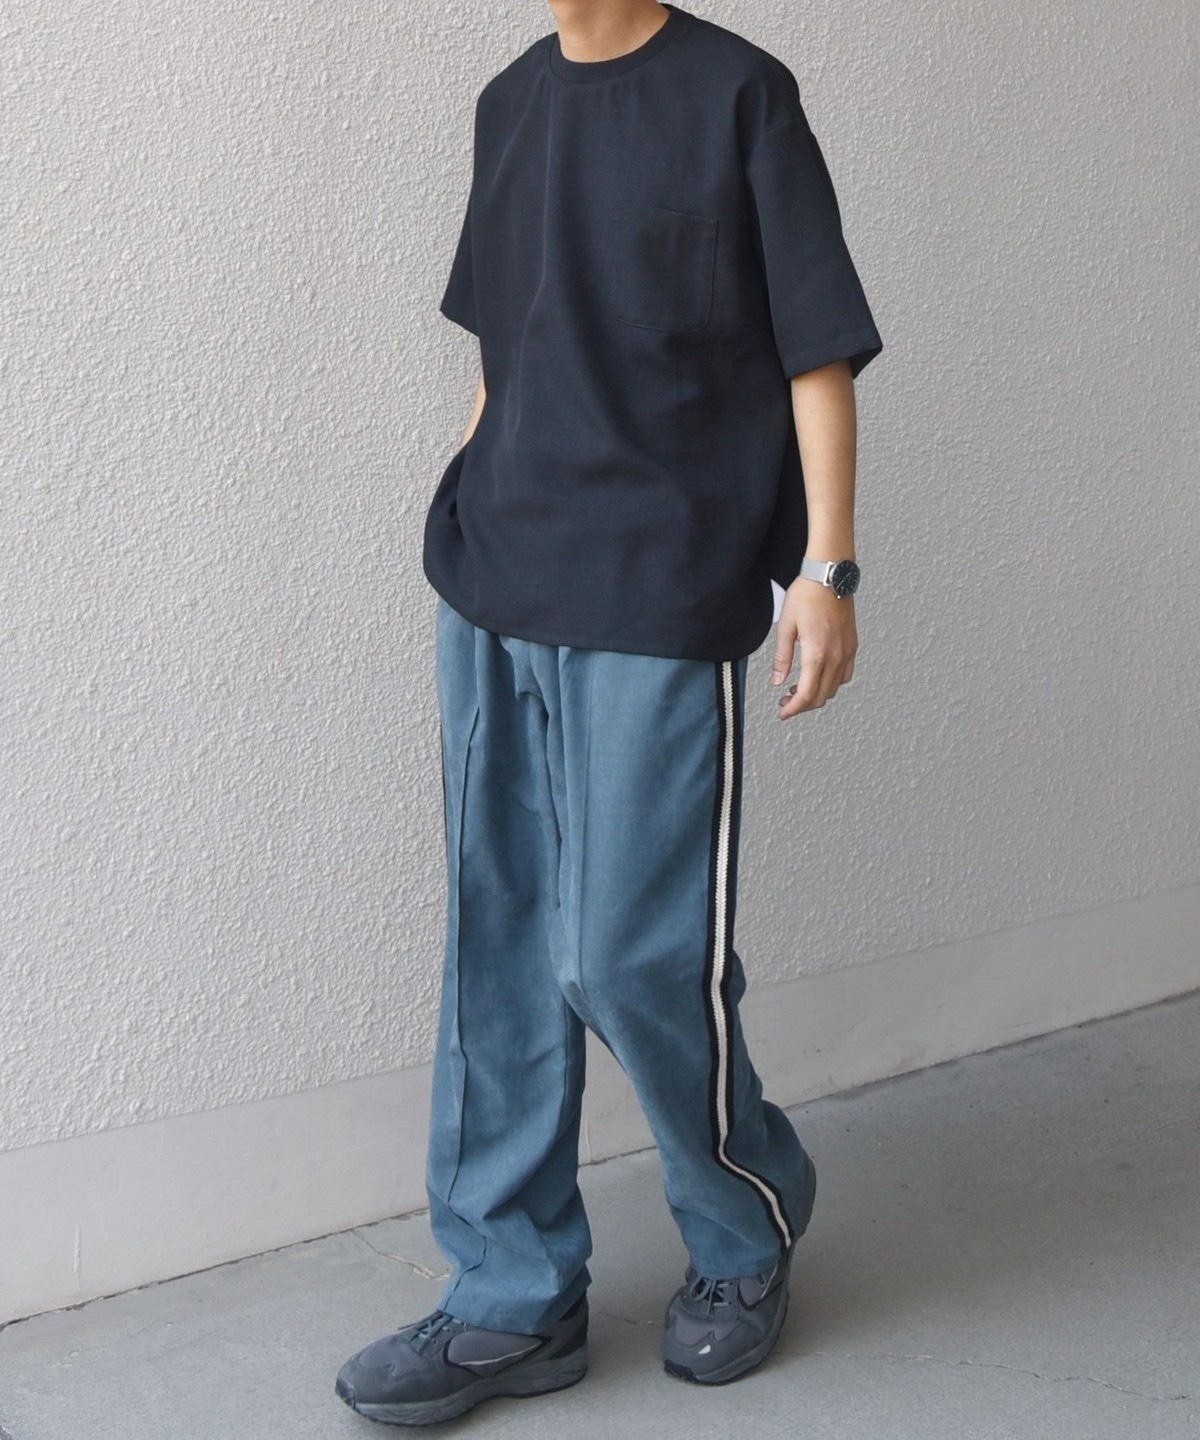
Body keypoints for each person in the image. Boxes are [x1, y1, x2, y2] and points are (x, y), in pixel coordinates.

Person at [335, 0, 883, 1425]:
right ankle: (508, 1298)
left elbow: (814, 348)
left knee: (632, 958)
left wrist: (825, 569)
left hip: (662, 587)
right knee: (501, 951)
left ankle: (745, 1225)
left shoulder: (741, 94)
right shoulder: (509, 103)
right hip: (496, 583)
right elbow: (506, 355)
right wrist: (461, 505)